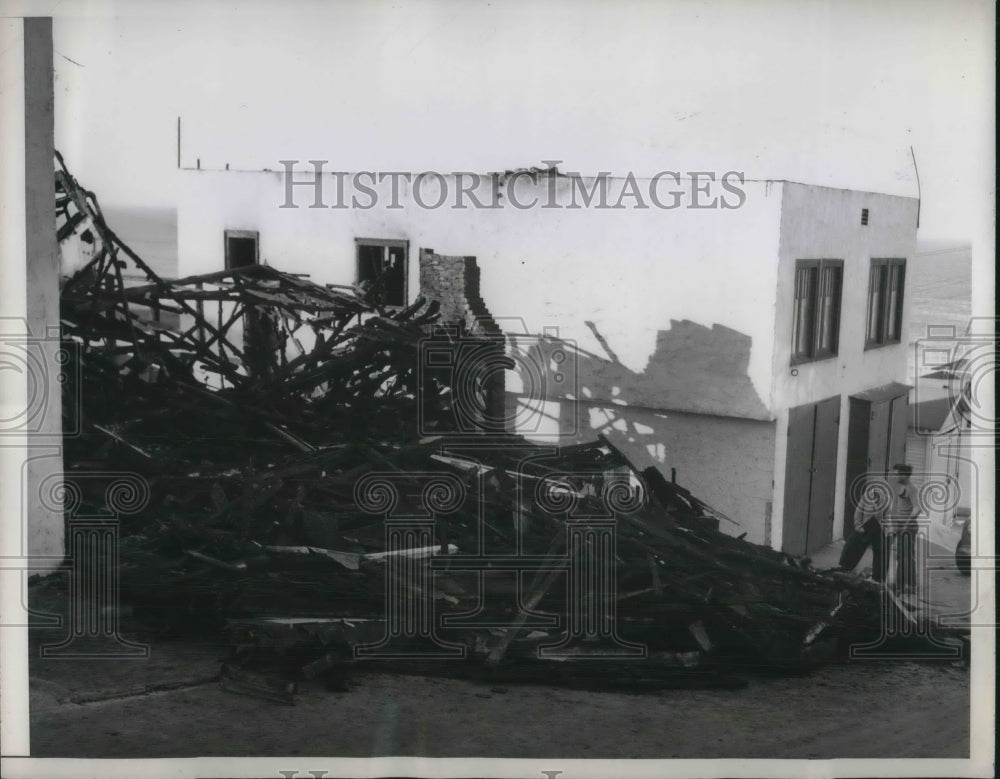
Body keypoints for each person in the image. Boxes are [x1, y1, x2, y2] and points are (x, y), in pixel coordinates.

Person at [838, 479, 888, 582]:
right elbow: (858, 511)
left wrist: (887, 531)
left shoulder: (886, 499)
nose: (878, 490)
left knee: (882, 550)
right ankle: (846, 567)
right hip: (866, 525)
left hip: (879, 527)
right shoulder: (866, 496)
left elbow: (888, 516)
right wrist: (858, 526)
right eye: (876, 487)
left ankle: (878, 577)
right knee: (852, 544)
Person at [889, 463, 921, 592]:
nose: (896, 476)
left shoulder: (912, 489)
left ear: (904, 475)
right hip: (900, 525)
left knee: (906, 556)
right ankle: (903, 584)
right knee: (901, 556)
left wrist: (907, 523)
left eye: (898, 474)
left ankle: (907, 586)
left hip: (908, 527)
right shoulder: (901, 486)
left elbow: (917, 508)